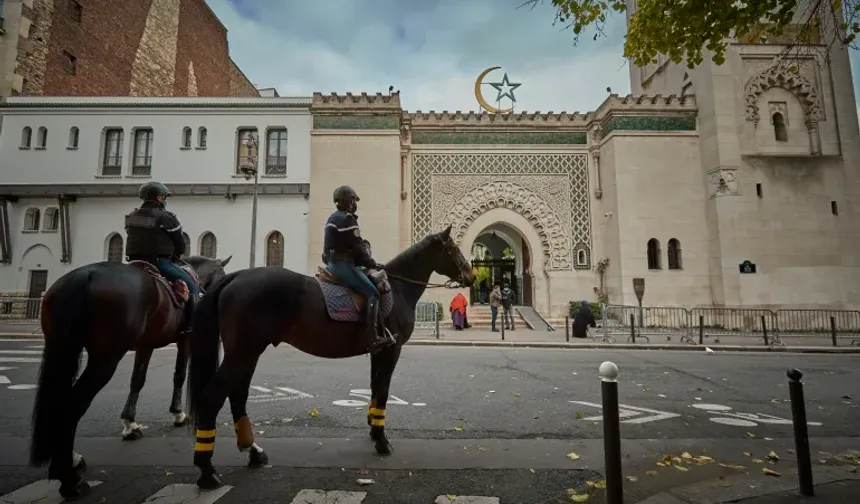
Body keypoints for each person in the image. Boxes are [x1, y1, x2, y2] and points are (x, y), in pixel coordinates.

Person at [324, 185, 395, 351]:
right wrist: (371, 262)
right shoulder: (348, 219)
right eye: (353, 200)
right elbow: (358, 246)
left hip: (332, 263)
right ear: (348, 201)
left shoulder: (332, 218)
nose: (355, 203)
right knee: (373, 294)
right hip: (343, 265)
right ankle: (372, 338)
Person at [124, 181, 200, 333]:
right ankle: (192, 326)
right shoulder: (166, 217)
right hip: (159, 263)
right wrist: (176, 255)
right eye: (165, 197)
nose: (166, 200)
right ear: (159, 198)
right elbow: (180, 243)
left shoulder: (132, 216)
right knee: (193, 287)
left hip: (134, 263)